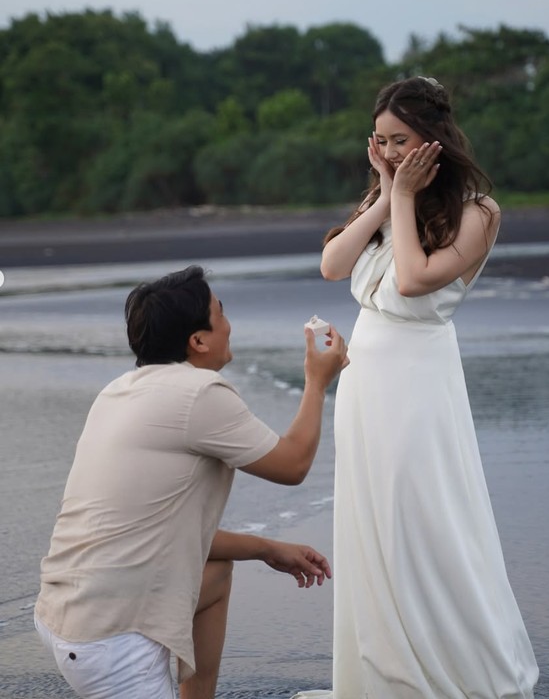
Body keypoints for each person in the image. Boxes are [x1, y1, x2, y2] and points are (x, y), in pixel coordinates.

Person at [294, 77, 538, 699]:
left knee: (426, 523)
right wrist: (385, 192)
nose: (389, 151)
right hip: (365, 381)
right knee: (372, 523)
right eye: (380, 140)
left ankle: (456, 667)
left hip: (419, 384)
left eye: (400, 140)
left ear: (433, 138)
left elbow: (410, 279)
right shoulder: (386, 196)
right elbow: (331, 265)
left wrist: (402, 196)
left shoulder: (479, 211)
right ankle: (381, 673)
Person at [34, 265, 348, 699]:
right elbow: (293, 465)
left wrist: (268, 549)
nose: (229, 324)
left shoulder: (117, 392)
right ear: (198, 341)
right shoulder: (200, 393)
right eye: (221, 313)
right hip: (112, 642)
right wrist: (316, 381)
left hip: (64, 614)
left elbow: (155, 532)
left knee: (215, 574)